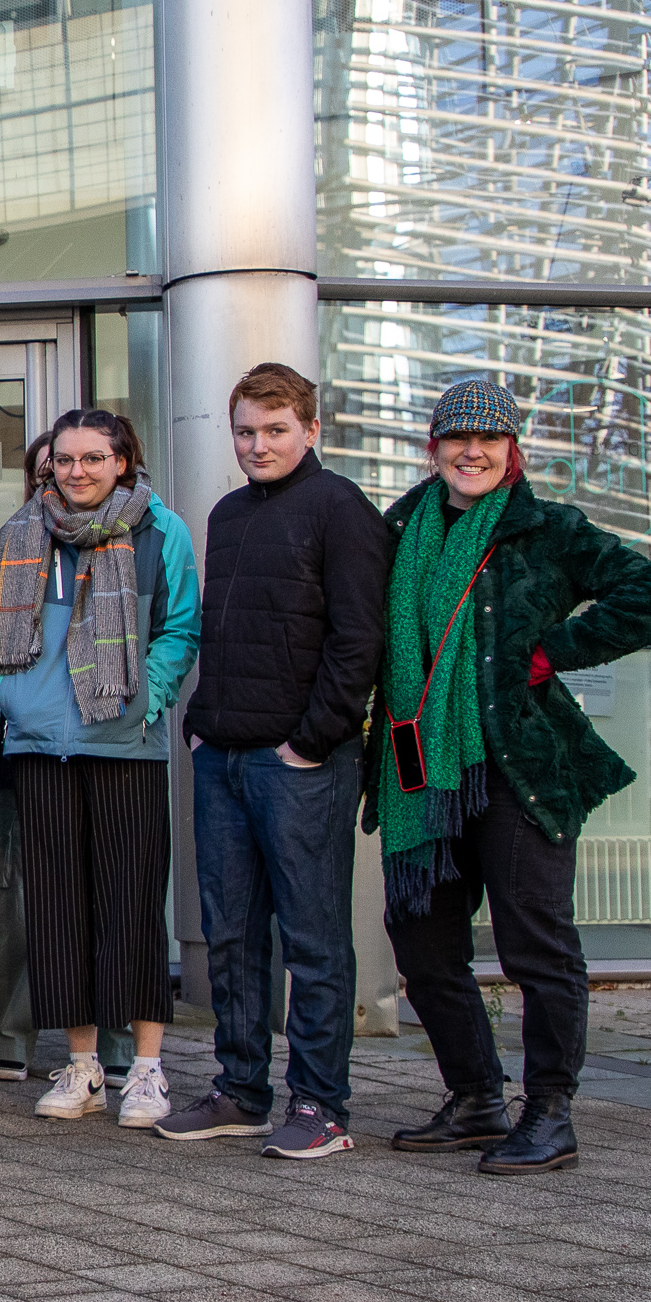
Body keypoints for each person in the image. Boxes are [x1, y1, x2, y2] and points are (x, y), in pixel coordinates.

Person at [373, 380, 651, 1175]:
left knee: (535, 945)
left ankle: (550, 1112)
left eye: (489, 439)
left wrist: (551, 652)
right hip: (422, 776)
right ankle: (475, 1096)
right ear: (432, 446)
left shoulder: (546, 529)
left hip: (518, 769)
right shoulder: (400, 528)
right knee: (423, 944)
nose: (471, 451)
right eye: (456, 438)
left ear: (512, 449)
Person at [158, 365, 391, 1160]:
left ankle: (321, 1106)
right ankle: (241, 1092)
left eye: (275, 430)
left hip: (300, 764)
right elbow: (224, 633)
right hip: (222, 757)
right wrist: (200, 725)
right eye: (246, 432)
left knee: (313, 938)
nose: (258, 446)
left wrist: (313, 739)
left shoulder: (340, 508)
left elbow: (359, 639)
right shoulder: (227, 513)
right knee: (231, 936)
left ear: (311, 431)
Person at [0, 407, 200, 1127]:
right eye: (65, 460)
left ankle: (146, 1069)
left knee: (132, 904)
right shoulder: (19, 534)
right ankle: (79, 1067)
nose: (77, 472)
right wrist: (13, 702)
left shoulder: (161, 531)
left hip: (125, 743)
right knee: (58, 911)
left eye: (93, 459)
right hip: (42, 747)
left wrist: (145, 698)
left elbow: (180, 628)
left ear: (122, 461)